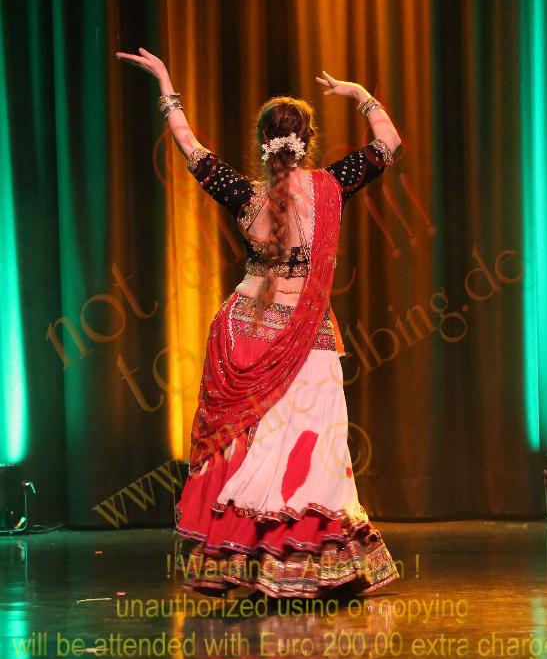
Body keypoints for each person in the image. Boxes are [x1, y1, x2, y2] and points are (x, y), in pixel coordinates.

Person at [115, 47, 404, 599]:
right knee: (310, 450)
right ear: (307, 140)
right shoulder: (331, 187)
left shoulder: (247, 197)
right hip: (309, 336)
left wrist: (166, 85)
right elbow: (389, 144)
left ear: (261, 141)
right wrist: (360, 95)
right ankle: (306, 564)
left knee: (253, 448)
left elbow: (191, 149)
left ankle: (239, 560)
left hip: (247, 331)